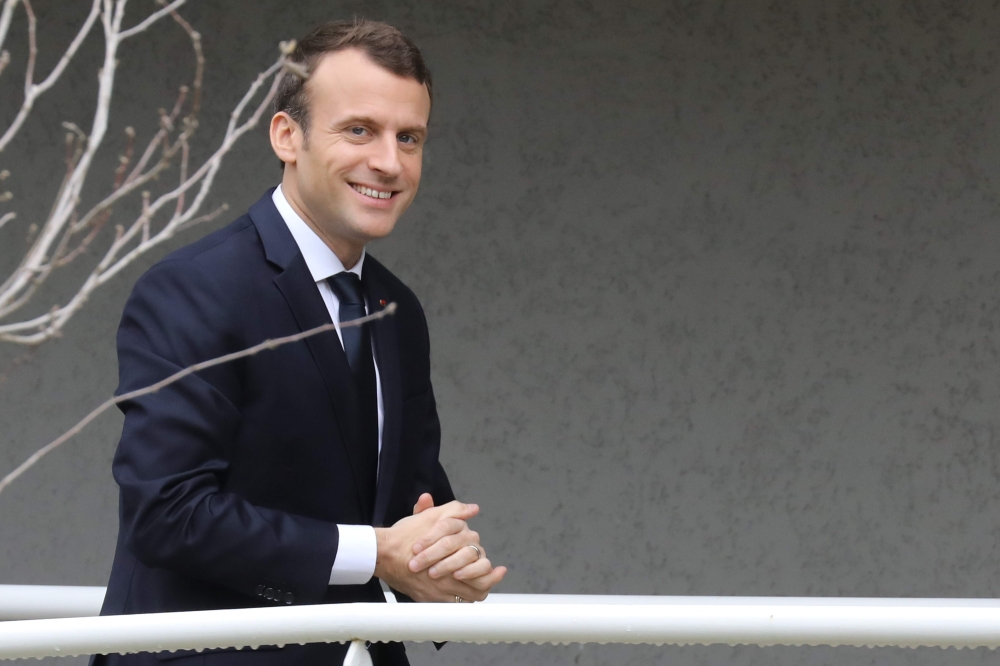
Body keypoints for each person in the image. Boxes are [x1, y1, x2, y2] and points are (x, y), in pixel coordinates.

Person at [93, 19, 506, 666]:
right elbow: (168, 514)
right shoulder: (194, 290)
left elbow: (411, 507)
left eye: (410, 138)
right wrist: (379, 552)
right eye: (359, 130)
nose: (389, 162)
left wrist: (448, 560)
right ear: (287, 135)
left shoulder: (397, 312)